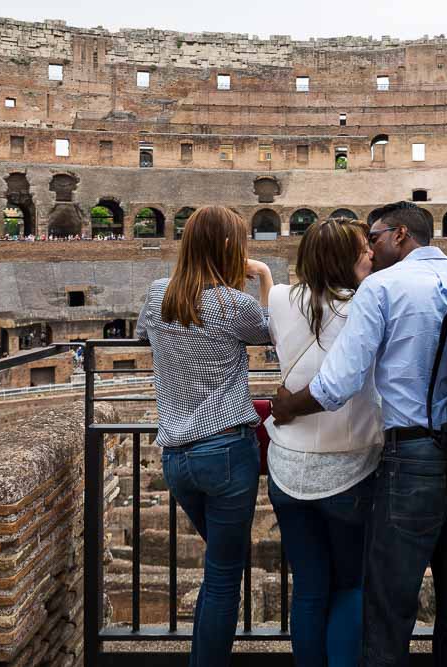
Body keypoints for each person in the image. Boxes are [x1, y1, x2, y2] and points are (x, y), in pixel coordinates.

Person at [272, 200, 447, 667]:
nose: (369, 249)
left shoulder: (382, 287)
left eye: (373, 237)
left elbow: (337, 385)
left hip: (412, 455)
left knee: (390, 601)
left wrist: (288, 404)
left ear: (399, 236)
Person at [137, 205, 274, 667]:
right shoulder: (235, 304)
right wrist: (265, 277)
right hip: (227, 453)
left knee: (217, 564)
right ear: (232, 249)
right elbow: (274, 334)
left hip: (176, 455)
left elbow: (144, 334)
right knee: (222, 577)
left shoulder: (158, 295)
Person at [264, 218, 382, 667]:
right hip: (351, 466)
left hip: (287, 466)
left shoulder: (278, 299)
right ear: (343, 259)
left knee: (310, 589)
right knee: (351, 585)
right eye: (361, 251)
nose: (370, 254)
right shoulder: (366, 307)